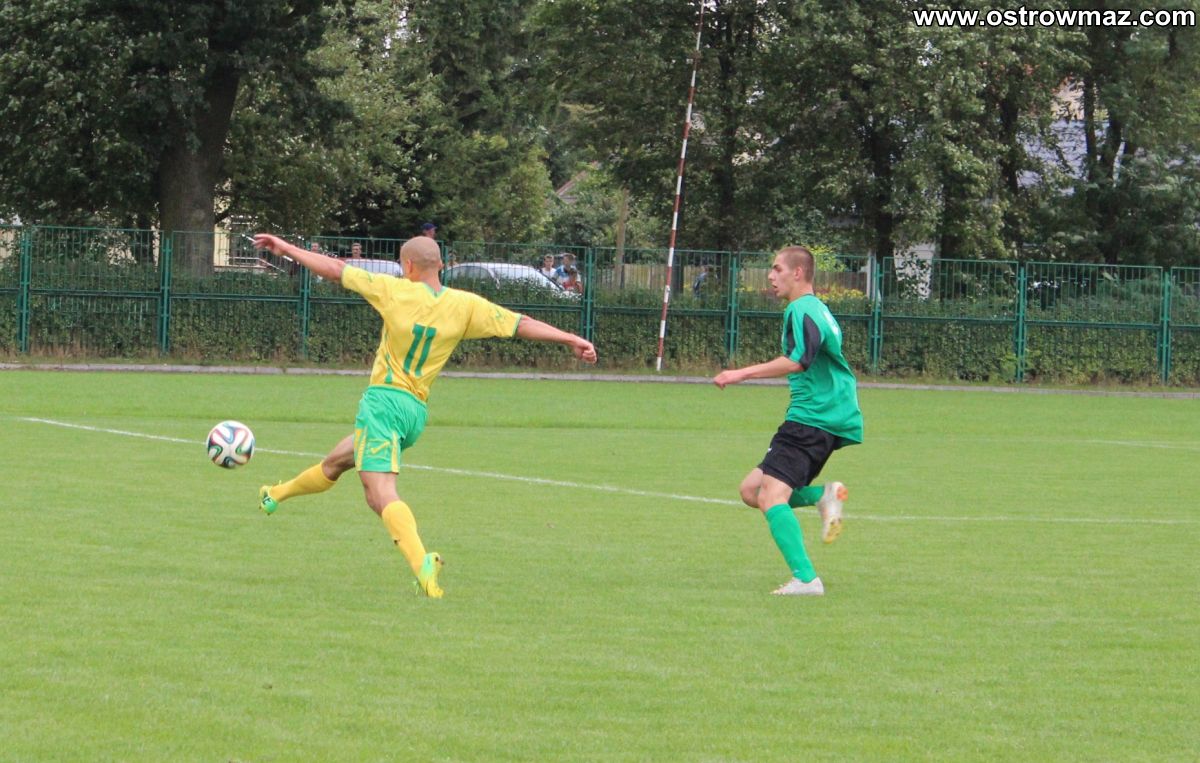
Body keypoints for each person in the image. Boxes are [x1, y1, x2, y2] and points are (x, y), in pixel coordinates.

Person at [252, 233, 598, 598]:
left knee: (379, 494)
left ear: (408, 266)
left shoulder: (393, 290)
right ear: (442, 265)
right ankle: (275, 494)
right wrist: (570, 338)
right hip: (414, 413)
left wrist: (287, 249)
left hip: (384, 403)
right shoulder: (465, 305)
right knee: (338, 462)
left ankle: (422, 564)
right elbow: (518, 323)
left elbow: (336, 269)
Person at [712, 246, 863, 597]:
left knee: (771, 496)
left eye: (777, 268)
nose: (770, 275)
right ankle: (824, 496)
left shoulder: (801, 308)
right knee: (751, 491)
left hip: (811, 419)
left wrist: (740, 373)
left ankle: (806, 579)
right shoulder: (818, 308)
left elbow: (798, 360)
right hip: (820, 417)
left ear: (798, 273)